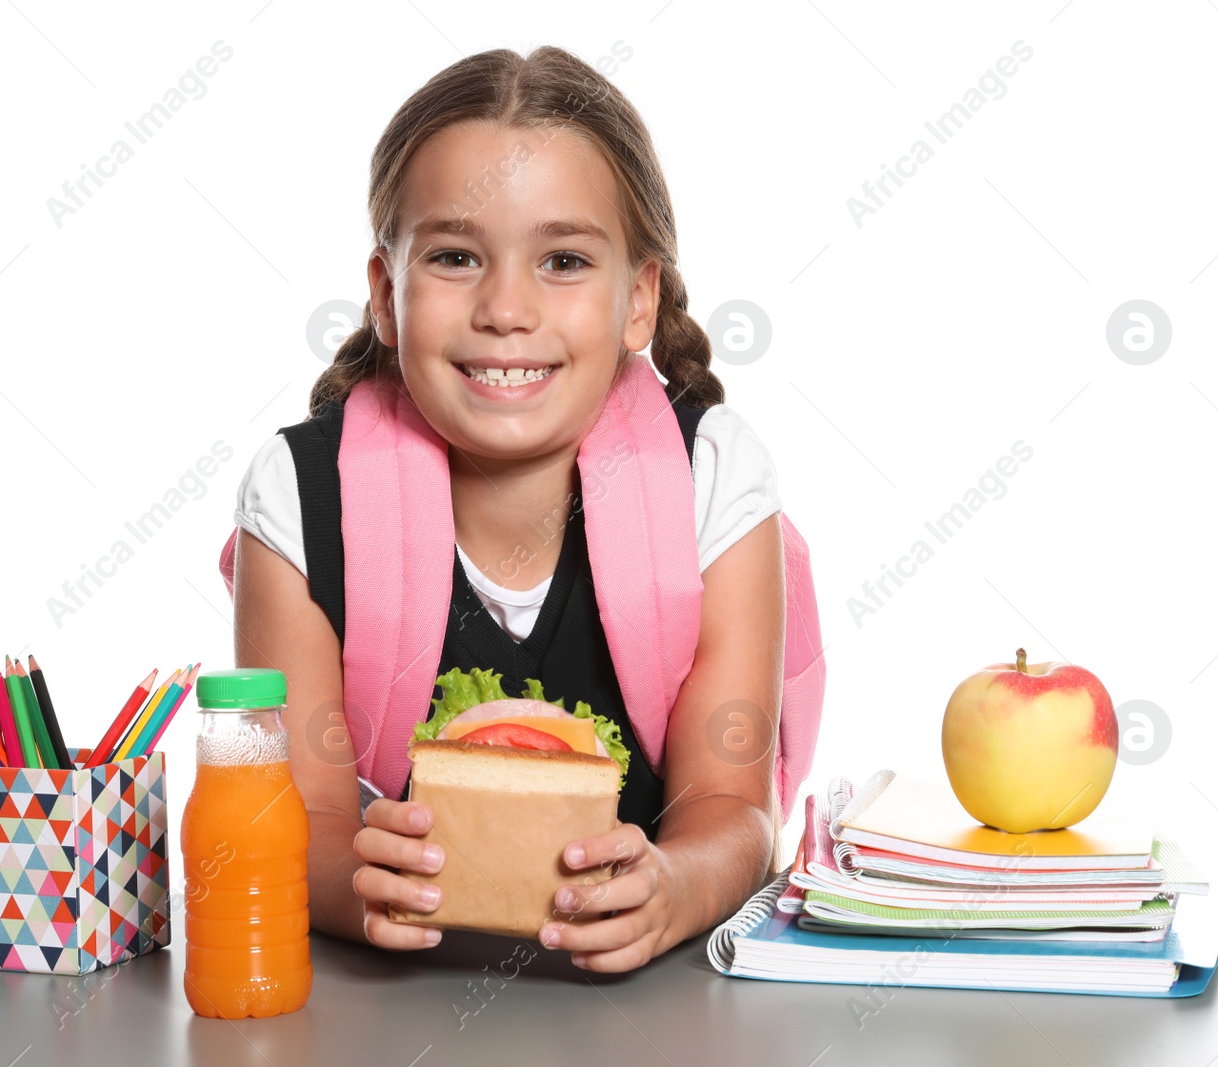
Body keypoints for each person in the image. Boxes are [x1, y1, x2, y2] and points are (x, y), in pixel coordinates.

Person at [230, 45, 813, 973]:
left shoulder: (712, 478)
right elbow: (306, 817)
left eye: (565, 260)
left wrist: (677, 889)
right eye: (456, 256)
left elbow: (732, 808)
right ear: (387, 293)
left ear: (639, 300)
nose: (507, 307)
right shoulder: (302, 498)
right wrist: (354, 883)